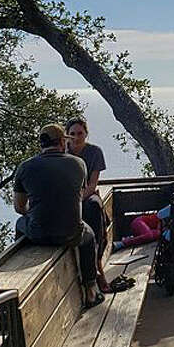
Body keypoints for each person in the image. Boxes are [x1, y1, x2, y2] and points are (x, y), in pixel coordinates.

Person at [13, 123, 102, 308]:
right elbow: (78, 194)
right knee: (90, 236)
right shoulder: (79, 164)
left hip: (38, 234)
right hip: (71, 233)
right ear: (62, 142)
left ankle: (18, 265)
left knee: (20, 223)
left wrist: (39, 211)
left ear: (41, 144)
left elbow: (19, 207)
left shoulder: (25, 167)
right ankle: (91, 289)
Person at [66, 117, 112, 294]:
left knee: (94, 207)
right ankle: (92, 271)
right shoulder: (62, 153)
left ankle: (98, 263)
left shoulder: (94, 152)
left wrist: (78, 199)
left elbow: (92, 184)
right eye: (72, 134)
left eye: (80, 133)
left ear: (86, 133)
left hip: (87, 194)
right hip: (68, 199)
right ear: (67, 135)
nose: (76, 137)